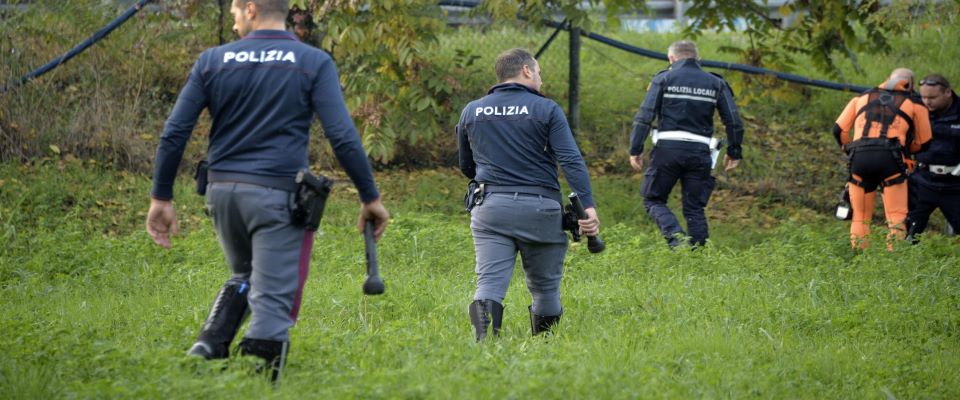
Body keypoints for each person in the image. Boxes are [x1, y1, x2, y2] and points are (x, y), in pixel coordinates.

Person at [145, 0, 390, 380]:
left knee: (245, 272)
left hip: (221, 192)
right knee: (274, 303)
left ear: (252, 8)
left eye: (235, 10)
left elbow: (175, 131)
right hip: (276, 197)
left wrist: (161, 196)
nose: (232, 16)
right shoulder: (311, 62)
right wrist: (369, 197)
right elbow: (341, 135)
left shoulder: (212, 61)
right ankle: (256, 383)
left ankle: (209, 345)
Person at [456, 48, 600, 341]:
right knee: (545, 287)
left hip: (490, 208)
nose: (541, 80)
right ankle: (544, 347)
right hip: (540, 210)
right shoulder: (546, 109)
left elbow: (466, 165)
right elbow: (571, 161)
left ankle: (483, 348)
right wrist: (588, 206)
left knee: (489, 284)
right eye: (539, 72)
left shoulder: (472, 110)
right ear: (525, 71)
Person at [627, 40, 744, 248]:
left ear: (671, 58)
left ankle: (676, 239)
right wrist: (734, 152)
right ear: (698, 59)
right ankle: (697, 259)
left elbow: (644, 117)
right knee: (694, 209)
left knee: (653, 199)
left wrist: (635, 149)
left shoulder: (663, 78)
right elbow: (733, 121)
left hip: (667, 152)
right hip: (700, 153)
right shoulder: (716, 83)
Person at [833, 68, 931, 250]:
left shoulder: (860, 98)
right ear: (909, 84)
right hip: (891, 160)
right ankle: (894, 259)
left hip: (860, 158)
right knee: (896, 215)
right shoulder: (915, 104)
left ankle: (860, 258)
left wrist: (849, 149)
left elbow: (839, 130)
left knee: (860, 216)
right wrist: (905, 151)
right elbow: (924, 142)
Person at [905, 74, 960, 239]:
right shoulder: (915, 109)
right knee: (908, 232)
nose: (927, 101)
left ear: (948, 92)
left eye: (932, 97)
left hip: (955, 185)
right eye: (924, 97)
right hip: (922, 181)